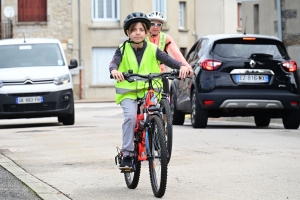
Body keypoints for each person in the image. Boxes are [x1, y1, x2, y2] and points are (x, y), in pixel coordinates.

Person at [109, 12, 190, 169]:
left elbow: (170, 60)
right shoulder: (122, 49)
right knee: (131, 117)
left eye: (141, 29)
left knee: (154, 113)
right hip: (128, 93)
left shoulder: (153, 49)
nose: (138, 32)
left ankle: (155, 137)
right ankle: (127, 154)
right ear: (128, 32)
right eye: (134, 30)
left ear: (147, 32)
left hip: (149, 89)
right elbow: (114, 63)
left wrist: (183, 66)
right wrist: (114, 71)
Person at [147, 11, 193, 93]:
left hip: (160, 72)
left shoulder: (166, 38)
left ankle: (165, 104)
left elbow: (177, 54)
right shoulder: (142, 37)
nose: (155, 27)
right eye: (152, 24)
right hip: (144, 72)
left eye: (159, 24)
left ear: (162, 27)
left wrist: (187, 67)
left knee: (165, 95)